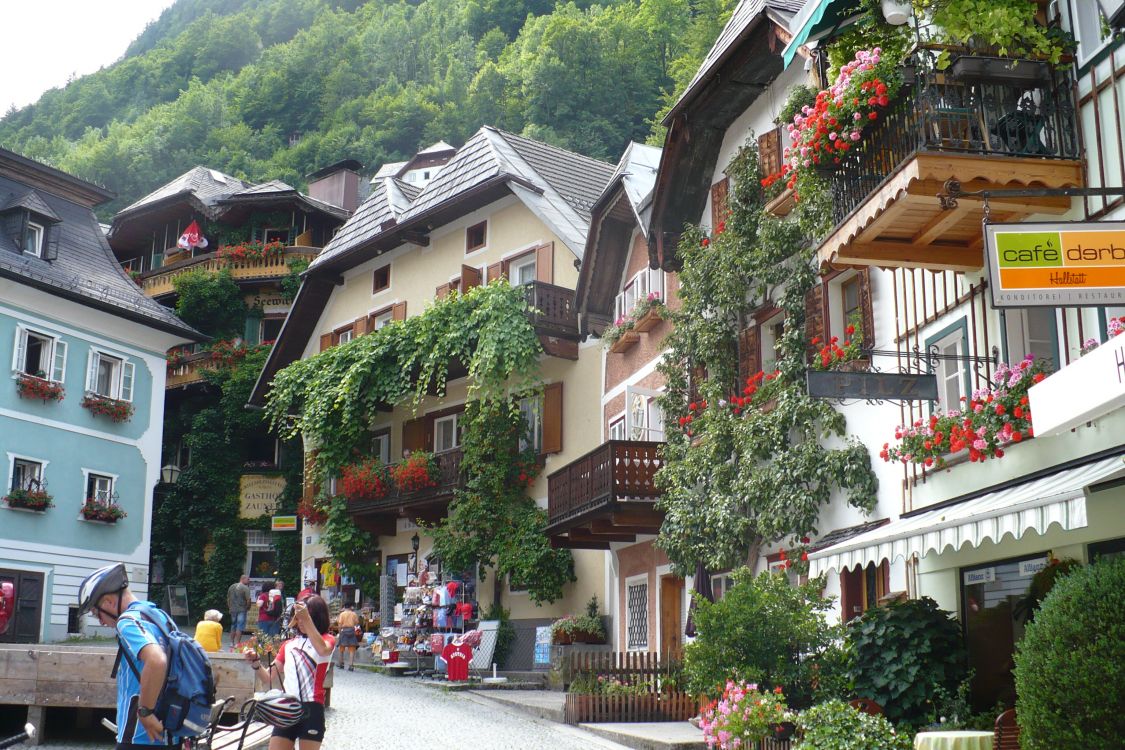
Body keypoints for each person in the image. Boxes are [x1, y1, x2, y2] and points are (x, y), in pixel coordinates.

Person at [76, 563, 170, 748]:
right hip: (166, 730)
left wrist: (145, 713)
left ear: (109, 602)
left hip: (140, 736)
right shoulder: (157, 615)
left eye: (97, 614)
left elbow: (157, 660)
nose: (101, 622)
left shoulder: (128, 622)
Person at [244, 595, 336, 749]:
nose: (300, 621)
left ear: (316, 617)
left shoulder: (328, 639)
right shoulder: (289, 645)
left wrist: (306, 618)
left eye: (304, 617)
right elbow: (269, 677)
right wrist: (255, 663)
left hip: (312, 708)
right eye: (297, 618)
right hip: (287, 708)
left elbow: (322, 650)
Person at [226, 574, 251, 648]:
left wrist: (229, 607)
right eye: (248, 579)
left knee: (233, 625)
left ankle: (231, 642)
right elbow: (248, 599)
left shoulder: (232, 586)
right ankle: (237, 643)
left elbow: (228, 598)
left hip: (233, 609)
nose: (249, 581)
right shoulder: (245, 588)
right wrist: (248, 607)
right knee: (239, 626)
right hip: (242, 609)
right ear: (243, 579)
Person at [335, 602, 360, 671]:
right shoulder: (354, 614)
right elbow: (356, 623)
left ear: (344, 607)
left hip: (344, 631)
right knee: (352, 649)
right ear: (350, 607)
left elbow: (339, 624)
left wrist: (340, 632)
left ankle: (341, 663)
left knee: (341, 648)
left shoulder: (342, 614)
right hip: (351, 631)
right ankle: (351, 665)